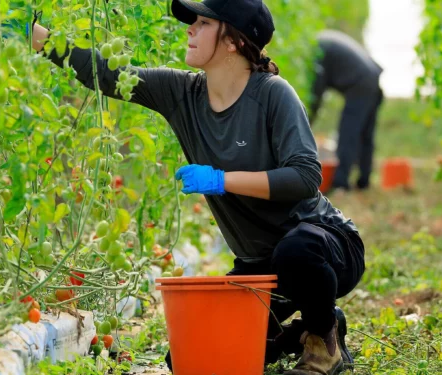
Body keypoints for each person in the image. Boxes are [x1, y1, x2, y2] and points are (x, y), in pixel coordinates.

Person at [21, 0, 365, 373]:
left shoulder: (272, 94)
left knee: (295, 251)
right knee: (192, 354)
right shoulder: (182, 93)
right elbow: (106, 74)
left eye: (202, 23)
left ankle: (323, 342)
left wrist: (220, 180)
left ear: (232, 41)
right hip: (259, 268)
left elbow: (304, 177)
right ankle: (305, 329)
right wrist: (35, 36)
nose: (190, 29)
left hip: (324, 247)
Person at [308, 29, 384, 193]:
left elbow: (317, 90)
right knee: (365, 133)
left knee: (349, 133)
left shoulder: (317, 50)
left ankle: (340, 183)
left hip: (359, 82)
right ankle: (364, 180)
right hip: (372, 77)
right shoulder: (323, 41)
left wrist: (306, 120)